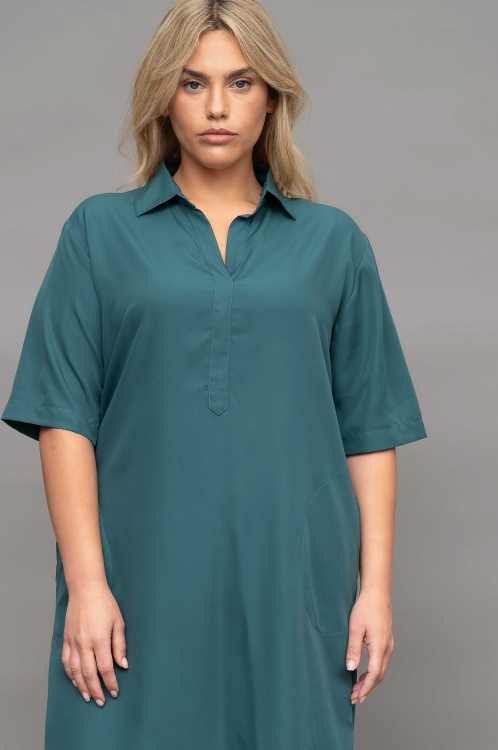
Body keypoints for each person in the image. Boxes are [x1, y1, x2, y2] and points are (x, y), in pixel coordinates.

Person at [1, 1, 427, 748]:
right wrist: (88, 586)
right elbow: (63, 414)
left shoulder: (334, 244)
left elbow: (369, 430)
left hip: (289, 594)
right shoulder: (98, 233)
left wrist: (376, 592)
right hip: (133, 592)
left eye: (241, 82)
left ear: (273, 98)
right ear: (163, 96)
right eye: (193, 83)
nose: (218, 107)